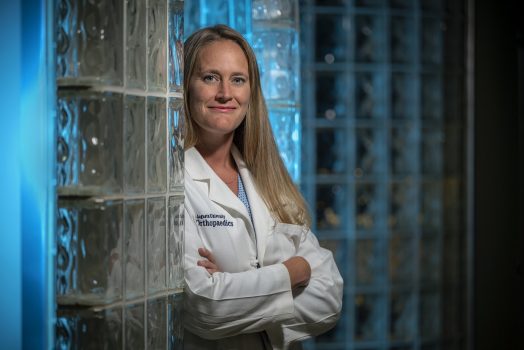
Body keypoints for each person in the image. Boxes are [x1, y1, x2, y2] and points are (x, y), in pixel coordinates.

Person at [182, 24, 343, 350]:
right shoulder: (172, 183)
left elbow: (329, 296)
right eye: (210, 77)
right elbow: (205, 307)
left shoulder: (268, 179)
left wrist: (234, 283)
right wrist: (294, 271)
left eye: (238, 79)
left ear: (251, 92)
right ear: (186, 85)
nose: (225, 93)